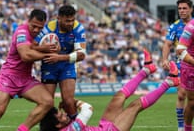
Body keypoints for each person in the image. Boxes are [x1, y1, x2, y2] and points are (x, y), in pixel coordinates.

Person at [40, 49, 180, 131]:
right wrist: (75, 102)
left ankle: (146, 70)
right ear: (58, 126)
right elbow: (88, 109)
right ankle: (169, 82)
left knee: (118, 96)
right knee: (135, 105)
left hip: (103, 127)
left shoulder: (63, 126)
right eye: (61, 116)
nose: (63, 114)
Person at [0, 9, 55, 131]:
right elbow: (25, 56)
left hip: (25, 78)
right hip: (9, 76)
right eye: (34, 26)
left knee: (47, 102)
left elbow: (37, 47)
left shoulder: (42, 35)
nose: (36, 30)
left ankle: (22, 129)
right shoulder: (21, 31)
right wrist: (47, 54)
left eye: (39, 28)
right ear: (28, 21)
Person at [33, 4, 86, 119]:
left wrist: (59, 57)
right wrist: (45, 49)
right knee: (47, 103)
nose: (70, 23)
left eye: (72, 20)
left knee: (68, 101)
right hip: (49, 65)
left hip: (67, 65)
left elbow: (81, 55)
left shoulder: (78, 28)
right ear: (59, 18)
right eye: (67, 21)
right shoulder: (49, 28)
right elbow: (34, 45)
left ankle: (74, 126)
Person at [162, 0, 193, 131]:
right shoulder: (175, 26)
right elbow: (168, 44)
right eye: (179, 8)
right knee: (181, 95)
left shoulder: (193, 24)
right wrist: (164, 59)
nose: (182, 11)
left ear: (191, 9)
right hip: (183, 64)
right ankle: (182, 126)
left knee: (191, 100)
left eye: (184, 8)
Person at [176, 19, 194, 131]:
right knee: (192, 102)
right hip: (191, 68)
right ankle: (187, 129)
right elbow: (180, 50)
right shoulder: (191, 27)